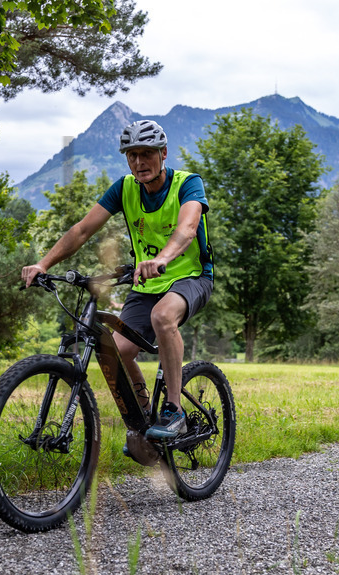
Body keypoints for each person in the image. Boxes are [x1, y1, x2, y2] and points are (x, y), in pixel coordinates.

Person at [21, 120, 214, 440]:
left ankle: (174, 411)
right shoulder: (124, 189)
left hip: (190, 276)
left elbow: (188, 227)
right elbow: (82, 230)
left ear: (163, 153)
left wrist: (163, 259)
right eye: (132, 154)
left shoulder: (188, 184)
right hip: (146, 282)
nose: (139, 162)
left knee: (163, 316)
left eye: (147, 153)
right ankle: (143, 425)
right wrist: (43, 263)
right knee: (117, 350)